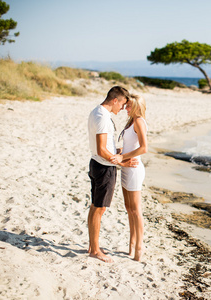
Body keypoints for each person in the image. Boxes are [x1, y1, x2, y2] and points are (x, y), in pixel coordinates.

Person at [87, 86, 137, 263]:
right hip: (104, 168)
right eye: (122, 104)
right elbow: (101, 149)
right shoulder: (102, 117)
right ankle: (95, 250)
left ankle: (93, 246)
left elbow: (103, 146)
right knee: (99, 208)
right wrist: (122, 162)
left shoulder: (97, 112)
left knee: (95, 206)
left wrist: (117, 150)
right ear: (115, 100)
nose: (122, 108)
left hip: (96, 164)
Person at [110, 94, 148, 261]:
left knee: (136, 210)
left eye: (129, 106)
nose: (126, 108)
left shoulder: (139, 121)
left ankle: (139, 247)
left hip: (133, 168)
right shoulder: (131, 122)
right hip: (126, 167)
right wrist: (120, 152)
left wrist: (122, 157)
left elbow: (144, 148)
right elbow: (129, 145)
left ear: (137, 106)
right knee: (128, 208)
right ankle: (131, 243)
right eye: (126, 105)